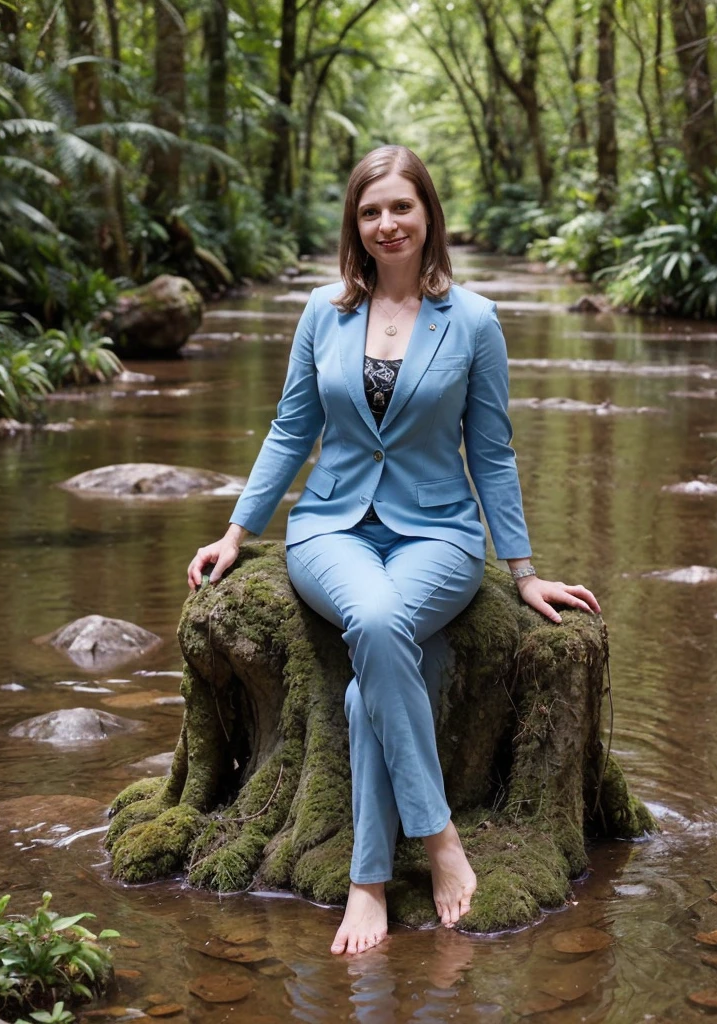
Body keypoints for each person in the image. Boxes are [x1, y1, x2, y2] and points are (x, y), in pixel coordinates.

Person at [187, 145, 600, 957]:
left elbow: (492, 451)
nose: (386, 224)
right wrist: (237, 533)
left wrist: (522, 571)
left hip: (440, 533)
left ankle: (368, 879)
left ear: (428, 215)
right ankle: (438, 837)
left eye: (401, 208)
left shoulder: (475, 320)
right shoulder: (323, 311)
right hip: (329, 529)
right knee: (375, 622)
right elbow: (291, 429)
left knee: (366, 674)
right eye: (370, 211)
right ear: (356, 224)